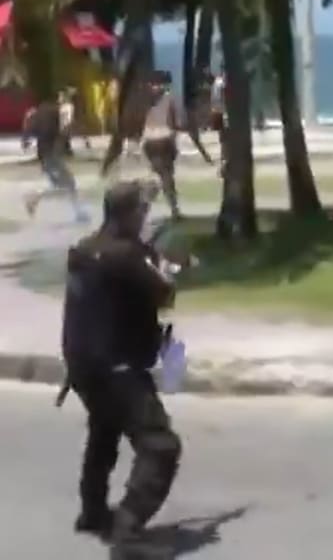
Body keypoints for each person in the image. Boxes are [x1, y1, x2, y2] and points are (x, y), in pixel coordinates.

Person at [60, 180, 182, 549]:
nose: (146, 216)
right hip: (118, 367)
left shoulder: (84, 250)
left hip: (81, 366)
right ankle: (127, 533)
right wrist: (166, 268)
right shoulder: (126, 257)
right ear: (128, 214)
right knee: (160, 445)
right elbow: (164, 294)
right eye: (142, 210)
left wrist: (149, 255)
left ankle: (93, 511)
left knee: (105, 430)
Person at [140, 71, 212, 220]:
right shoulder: (170, 98)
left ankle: (145, 207)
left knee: (158, 175)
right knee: (166, 178)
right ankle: (173, 210)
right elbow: (178, 123)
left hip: (149, 142)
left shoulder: (145, 100)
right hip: (164, 141)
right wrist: (202, 151)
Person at [22, 92, 88, 223]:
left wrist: (25, 140)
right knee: (69, 183)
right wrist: (83, 137)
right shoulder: (58, 110)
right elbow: (66, 128)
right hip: (51, 153)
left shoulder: (38, 111)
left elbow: (29, 129)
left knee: (61, 184)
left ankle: (78, 212)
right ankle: (34, 198)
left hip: (43, 153)